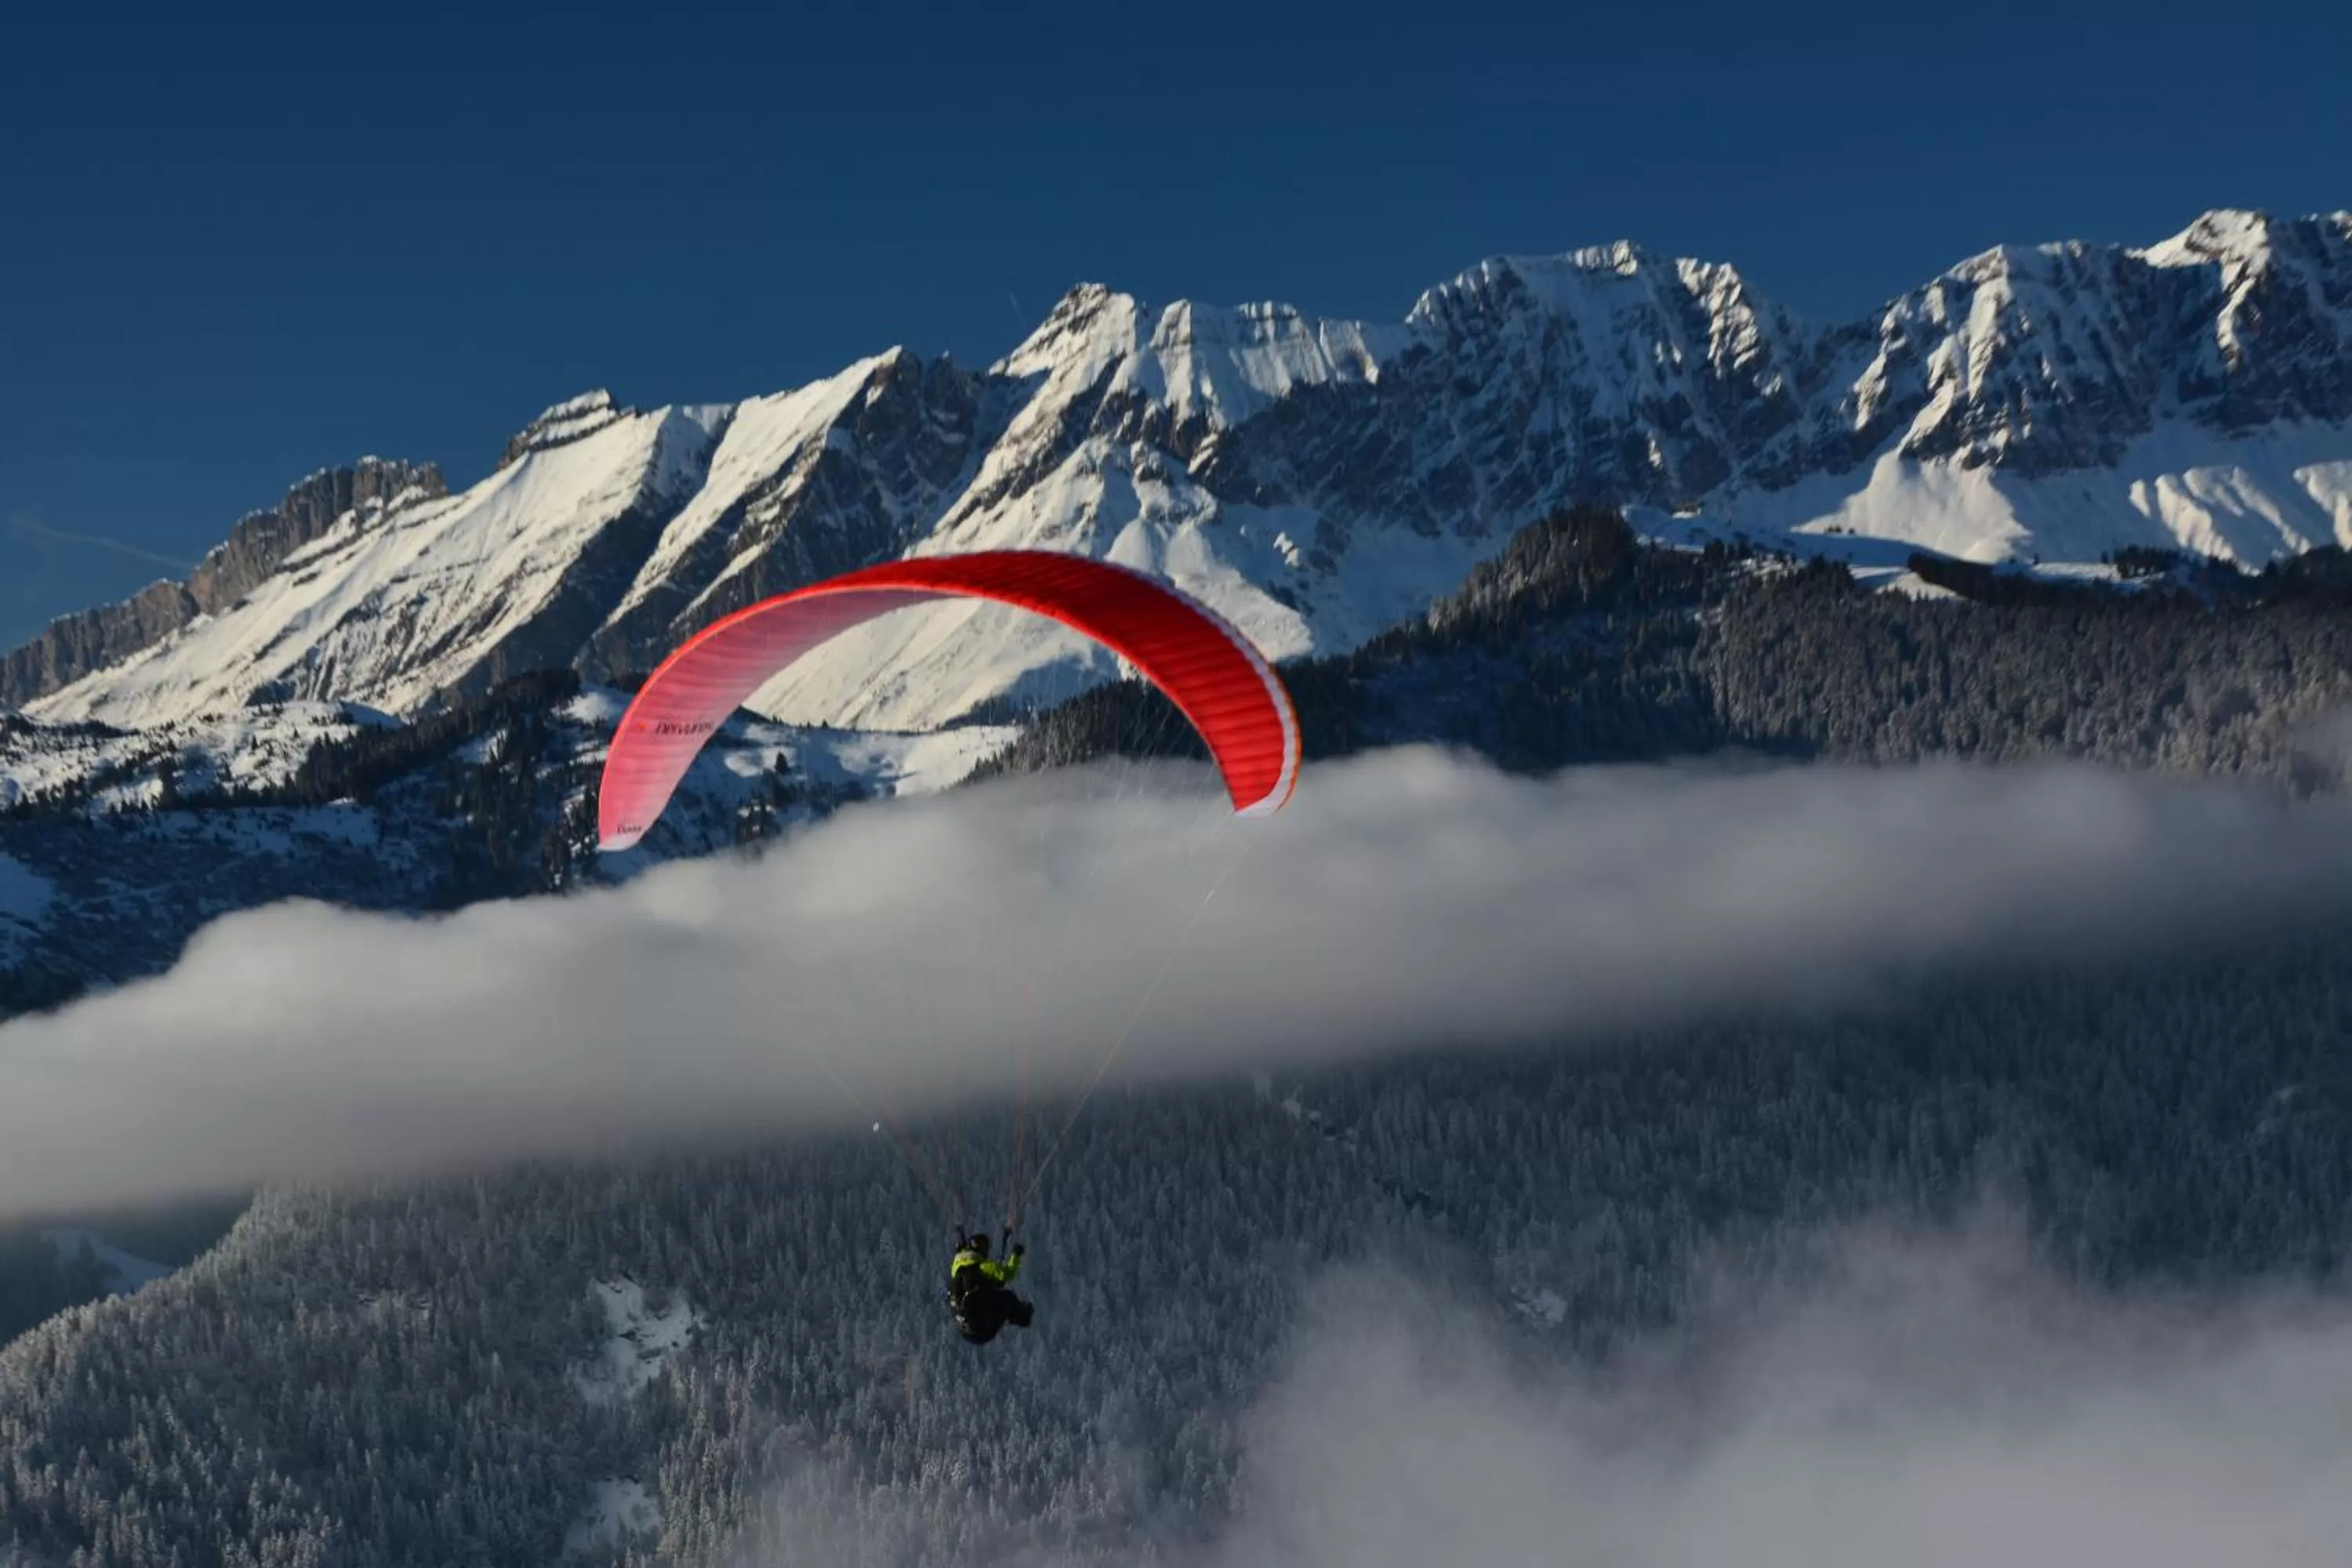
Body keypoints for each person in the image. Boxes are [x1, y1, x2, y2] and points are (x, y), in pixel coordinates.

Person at [948, 1232, 1033, 1345]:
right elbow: (1008, 1274)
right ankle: (1022, 1317)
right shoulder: (984, 1267)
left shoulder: (956, 1267)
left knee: (991, 1294)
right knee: (1007, 1298)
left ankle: (1013, 1316)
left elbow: (964, 1257)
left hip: (965, 1330)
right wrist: (1016, 1255)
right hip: (983, 1329)